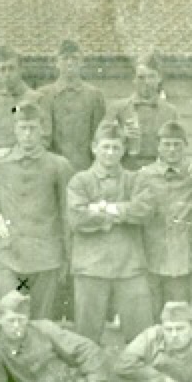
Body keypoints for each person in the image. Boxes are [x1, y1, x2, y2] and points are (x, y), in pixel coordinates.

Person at [0, 101, 73, 320]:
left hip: (47, 258)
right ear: (15, 129)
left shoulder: (58, 165)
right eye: (23, 128)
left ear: (42, 129)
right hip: (12, 255)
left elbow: (67, 215)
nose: (28, 134)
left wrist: (67, 258)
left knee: (42, 320)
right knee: (12, 314)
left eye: (33, 128)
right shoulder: (2, 162)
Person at [67, 120, 153, 344]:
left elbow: (143, 211)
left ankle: (138, 379)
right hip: (91, 267)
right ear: (94, 147)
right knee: (86, 337)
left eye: (116, 147)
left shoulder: (135, 179)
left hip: (130, 267)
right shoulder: (80, 181)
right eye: (105, 147)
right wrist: (123, 213)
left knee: (140, 337)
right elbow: (77, 217)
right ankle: (89, 380)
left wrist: (104, 208)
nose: (110, 153)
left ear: (123, 150)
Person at [134, 121, 192, 320]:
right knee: (150, 318)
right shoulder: (144, 176)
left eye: (177, 144)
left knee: (179, 316)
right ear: (158, 146)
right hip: (150, 258)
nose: (171, 149)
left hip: (181, 260)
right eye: (167, 144)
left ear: (185, 146)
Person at [0, 290, 109, 382]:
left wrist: (96, 381)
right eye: (11, 321)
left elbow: (85, 347)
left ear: (28, 317)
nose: (17, 326)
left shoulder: (43, 329)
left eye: (21, 320)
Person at [37, 39, 105, 172]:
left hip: (85, 169)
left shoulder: (94, 96)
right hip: (52, 170)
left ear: (82, 62)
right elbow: (16, 109)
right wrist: (14, 108)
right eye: (65, 58)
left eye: (74, 58)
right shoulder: (43, 95)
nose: (69, 62)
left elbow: (99, 136)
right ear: (56, 62)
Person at [104, 51, 178, 170]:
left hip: (158, 174)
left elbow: (178, 149)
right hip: (125, 173)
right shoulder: (117, 109)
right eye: (141, 77)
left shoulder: (170, 112)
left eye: (151, 76)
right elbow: (100, 144)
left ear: (159, 78)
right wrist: (122, 136)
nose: (146, 82)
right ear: (133, 79)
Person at [0, 45, 41, 159]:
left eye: (11, 68)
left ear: (20, 69)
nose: (7, 73)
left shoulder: (36, 99)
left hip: (25, 165)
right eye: (2, 69)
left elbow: (44, 138)